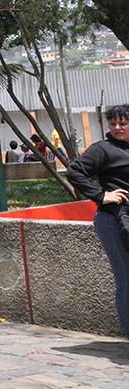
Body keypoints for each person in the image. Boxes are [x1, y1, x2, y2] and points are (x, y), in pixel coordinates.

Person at [66, 104, 129, 338]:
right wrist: (102, 196)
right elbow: (74, 172)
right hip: (114, 221)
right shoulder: (103, 149)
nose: (118, 128)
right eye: (113, 124)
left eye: (123, 123)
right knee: (126, 278)